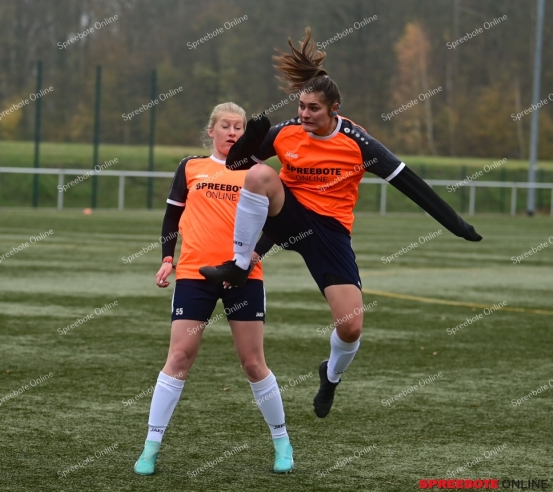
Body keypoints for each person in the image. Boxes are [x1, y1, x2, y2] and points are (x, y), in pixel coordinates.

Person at [200, 29, 481, 419]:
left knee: (351, 327)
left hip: (330, 232)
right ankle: (239, 263)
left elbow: (410, 184)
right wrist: (251, 141)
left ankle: (330, 376)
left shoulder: (357, 141)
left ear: (334, 108)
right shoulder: (286, 132)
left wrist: (457, 225)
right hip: (289, 212)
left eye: (313, 108)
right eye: (300, 106)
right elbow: (238, 166)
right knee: (261, 176)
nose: (304, 114)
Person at [134, 103, 294, 476]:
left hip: (243, 277)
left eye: (239, 127)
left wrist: (254, 255)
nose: (233, 132)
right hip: (194, 275)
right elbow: (172, 215)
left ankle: (282, 442)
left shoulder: (260, 173)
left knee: (253, 364)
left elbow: (278, 223)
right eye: (226, 126)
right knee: (178, 358)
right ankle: (150, 447)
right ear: (212, 130)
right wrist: (166, 258)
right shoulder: (191, 167)